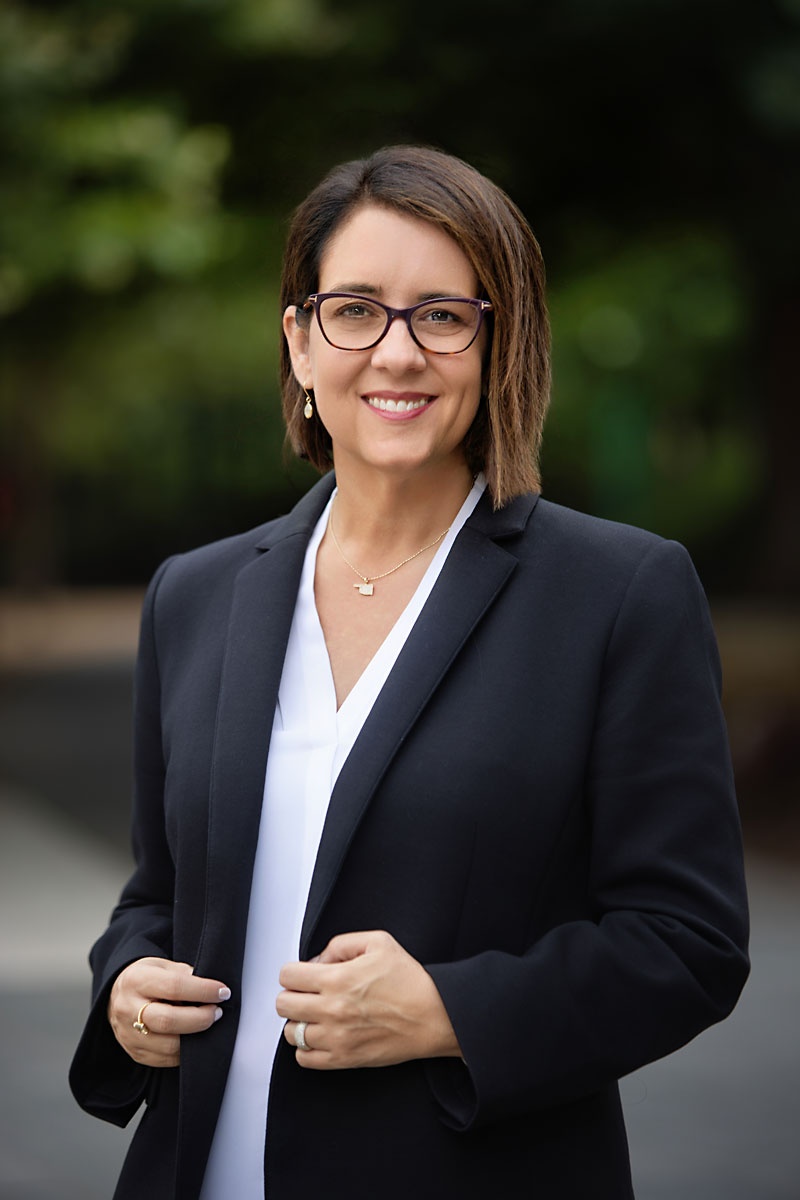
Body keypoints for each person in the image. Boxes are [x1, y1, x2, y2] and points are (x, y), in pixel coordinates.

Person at [70, 144, 749, 1199]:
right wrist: (126, 984)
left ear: (496, 342)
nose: (396, 352)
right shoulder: (193, 595)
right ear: (298, 341)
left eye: (441, 315)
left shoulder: (618, 593)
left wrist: (446, 1011)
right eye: (354, 310)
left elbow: (686, 943)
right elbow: (156, 896)